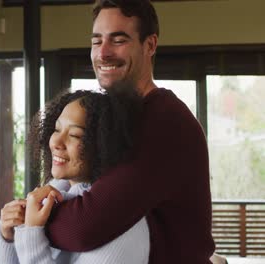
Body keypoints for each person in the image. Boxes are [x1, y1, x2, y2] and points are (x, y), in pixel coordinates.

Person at [24, 0, 216, 263]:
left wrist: (30, 219)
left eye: (118, 40)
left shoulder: (164, 121)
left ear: (150, 45)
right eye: (96, 41)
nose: (103, 53)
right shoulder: (119, 120)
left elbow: (83, 227)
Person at [0, 87, 149, 263]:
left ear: (104, 145)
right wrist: (8, 236)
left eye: (75, 135)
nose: (56, 142)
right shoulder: (55, 198)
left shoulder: (119, 225)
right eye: (56, 129)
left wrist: (31, 233)